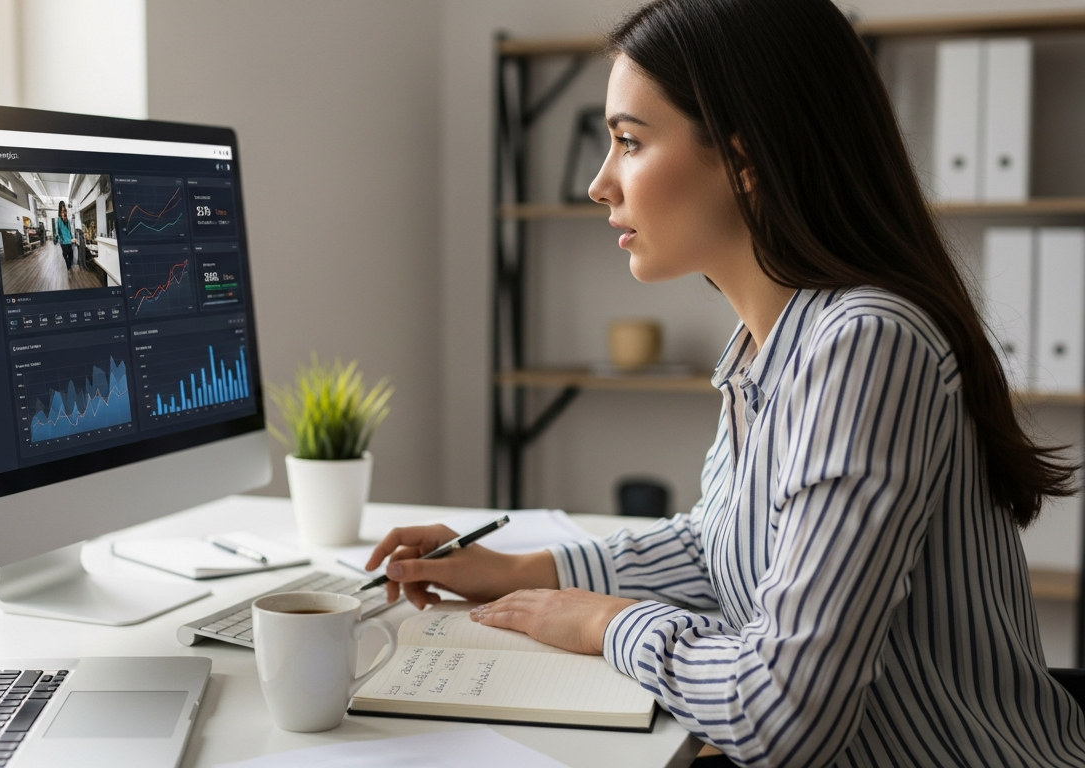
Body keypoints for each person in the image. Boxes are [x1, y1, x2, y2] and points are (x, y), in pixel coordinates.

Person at [368, 1, 1085, 765]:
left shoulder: (866, 344)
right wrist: (520, 571)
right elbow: (721, 546)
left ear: (745, 161)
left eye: (628, 141)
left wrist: (606, 623)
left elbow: (784, 717)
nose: (599, 184)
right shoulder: (767, 345)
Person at [53, 201, 74, 271]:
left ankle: (69, 266)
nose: (63, 212)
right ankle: (69, 268)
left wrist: (71, 238)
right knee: (65, 255)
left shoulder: (67, 220)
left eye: (64, 210)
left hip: (69, 240)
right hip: (63, 242)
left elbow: (69, 230)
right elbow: (57, 231)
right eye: (61, 211)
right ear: (60, 211)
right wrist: (59, 239)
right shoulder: (58, 220)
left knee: (71, 255)